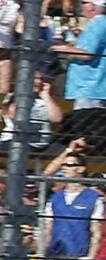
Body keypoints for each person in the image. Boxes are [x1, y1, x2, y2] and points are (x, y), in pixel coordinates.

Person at [41, 153, 102, 260]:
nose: (64, 168)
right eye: (64, 165)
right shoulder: (55, 198)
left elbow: (96, 233)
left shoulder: (93, 198)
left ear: (80, 169)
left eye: (69, 164)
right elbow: (48, 231)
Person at [53, 0, 106, 152]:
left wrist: (60, 47)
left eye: (84, 2)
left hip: (90, 86)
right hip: (95, 86)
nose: (81, 5)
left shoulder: (97, 23)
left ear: (93, 7)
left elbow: (87, 54)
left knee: (84, 135)